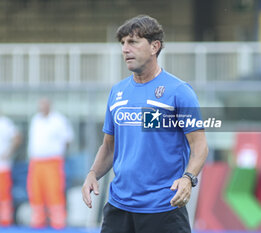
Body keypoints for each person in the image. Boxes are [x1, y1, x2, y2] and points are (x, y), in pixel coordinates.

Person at [81, 15, 209, 233]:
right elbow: (109, 146)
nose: (125, 49)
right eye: (122, 43)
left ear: (154, 47)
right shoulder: (117, 92)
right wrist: (93, 173)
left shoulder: (178, 91)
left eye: (133, 42)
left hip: (164, 208)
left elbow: (200, 146)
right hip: (118, 208)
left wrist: (188, 179)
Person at [27, 98, 74, 229]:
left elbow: (68, 139)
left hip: (52, 161)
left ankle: (58, 223)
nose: (42, 108)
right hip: (36, 162)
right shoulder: (36, 119)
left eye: (44, 105)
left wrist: (61, 154)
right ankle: (38, 222)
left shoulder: (58, 120)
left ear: (50, 106)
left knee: (54, 191)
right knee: (36, 191)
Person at [0, 111, 21, 226]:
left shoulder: (5, 123)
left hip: (2, 167)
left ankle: (5, 222)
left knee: (3, 195)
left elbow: (17, 137)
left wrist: (9, 152)